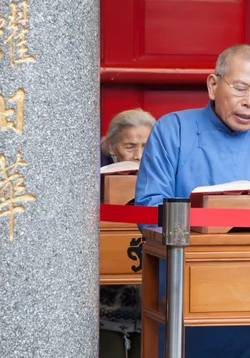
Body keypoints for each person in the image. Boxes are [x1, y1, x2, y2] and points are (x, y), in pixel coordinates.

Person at [135, 44, 250, 358]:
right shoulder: (173, 130)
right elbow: (148, 210)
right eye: (240, 88)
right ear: (213, 85)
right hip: (192, 289)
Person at [99, 108, 156, 358]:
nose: (139, 155)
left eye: (146, 146)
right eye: (130, 146)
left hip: (150, 296)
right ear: (112, 146)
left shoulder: (162, 175)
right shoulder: (94, 178)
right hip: (107, 301)